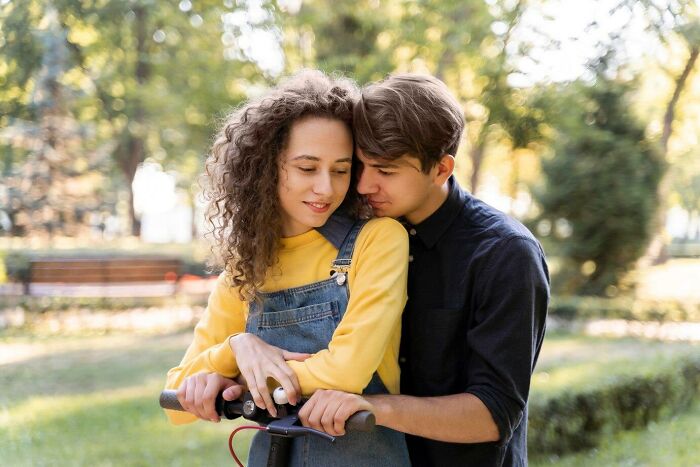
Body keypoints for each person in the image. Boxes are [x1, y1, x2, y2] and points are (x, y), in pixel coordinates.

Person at [297, 74, 550, 466]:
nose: (363, 185)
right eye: (361, 164)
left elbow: (494, 413)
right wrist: (243, 347)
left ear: (441, 169)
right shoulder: (350, 230)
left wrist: (373, 407)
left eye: (386, 170)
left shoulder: (505, 253)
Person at [163, 70, 410, 466]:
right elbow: (176, 398)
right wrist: (239, 347)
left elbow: (346, 372)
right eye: (307, 168)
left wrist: (237, 383)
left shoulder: (378, 240)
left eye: (341, 170)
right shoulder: (246, 269)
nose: (326, 188)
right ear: (267, 168)